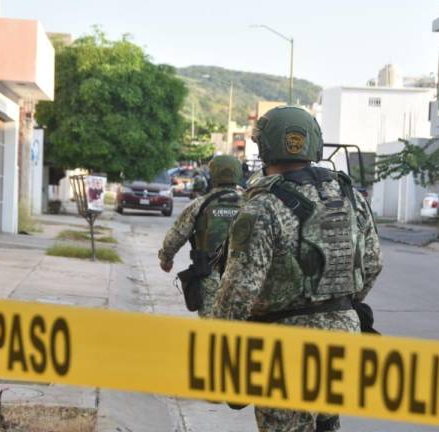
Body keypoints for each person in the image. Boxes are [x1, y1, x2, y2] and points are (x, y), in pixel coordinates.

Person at [212, 106, 382, 432]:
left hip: (283, 348)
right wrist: (337, 304)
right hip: (342, 340)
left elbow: (238, 292)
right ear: (314, 145)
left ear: (265, 148)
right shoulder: (350, 197)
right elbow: (373, 264)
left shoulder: (262, 206)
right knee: (326, 426)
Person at [158, 155, 245, 317]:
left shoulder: (200, 204)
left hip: (210, 279)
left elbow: (176, 236)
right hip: (246, 279)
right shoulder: (253, 203)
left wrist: (166, 259)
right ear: (238, 174)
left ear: (212, 174)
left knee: (211, 329)